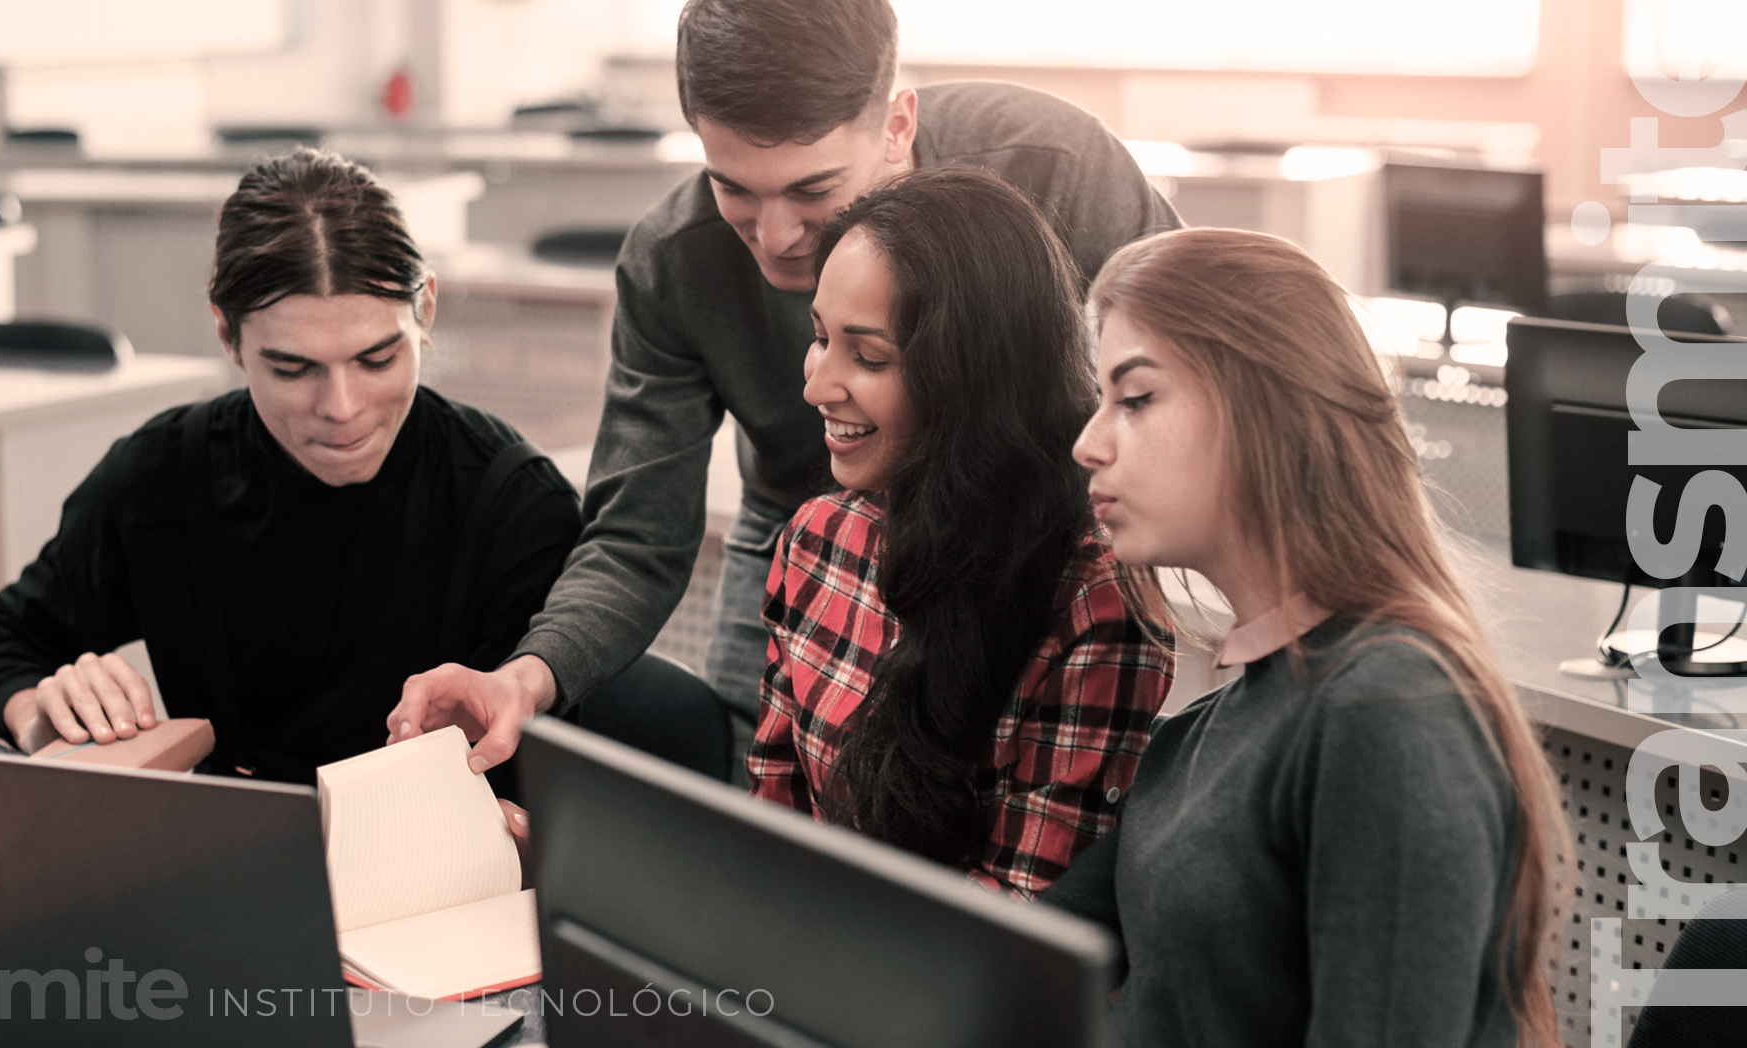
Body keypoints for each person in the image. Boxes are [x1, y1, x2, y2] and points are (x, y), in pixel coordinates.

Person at [390, 0, 1180, 777]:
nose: (774, 237)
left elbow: (1194, 378)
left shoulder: (1050, 164)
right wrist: (527, 676)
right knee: (761, 793)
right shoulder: (672, 262)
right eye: (732, 186)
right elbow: (639, 533)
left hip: (1037, 526)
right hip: (799, 526)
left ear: (897, 124)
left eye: (812, 190)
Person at [1046, 227, 1567, 1045]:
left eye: (1136, 399)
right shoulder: (1205, 733)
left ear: (1267, 409)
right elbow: (1020, 959)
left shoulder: (1388, 709)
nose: (1090, 442)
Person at [0, 148, 582, 783]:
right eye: (294, 369)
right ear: (227, 336)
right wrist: (44, 713)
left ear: (425, 311)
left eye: (377, 360)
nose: (341, 408)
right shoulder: (162, 476)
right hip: (223, 851)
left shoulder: (517, 504)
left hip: (441, 867)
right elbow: (7, 643)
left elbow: (543, 778)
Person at [747, 167, 1172, 896]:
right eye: (819, 338)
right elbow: (773, 827)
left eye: (870, 356)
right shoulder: (815, 541)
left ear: (973, 376)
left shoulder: (1092, 605)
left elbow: (1017, 928)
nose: (816, 386)